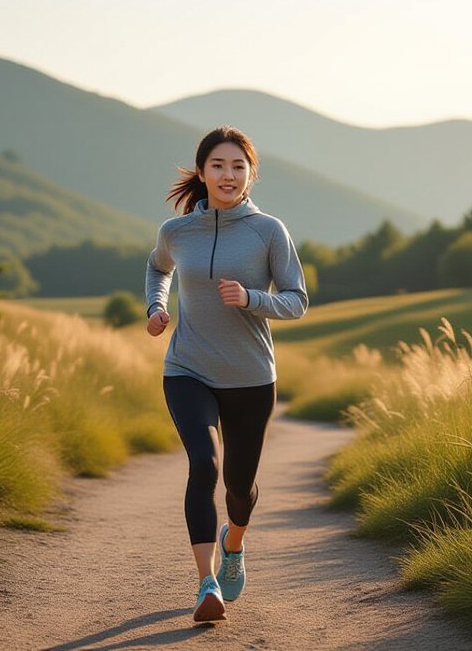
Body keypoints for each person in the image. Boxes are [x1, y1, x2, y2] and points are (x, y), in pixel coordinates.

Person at [145, 126, 308, 622]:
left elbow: (297, 300)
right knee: (204, 465)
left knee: (239, 486)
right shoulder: (177, 232)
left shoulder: (269, 231)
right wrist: (156, 306)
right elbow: (158, 268)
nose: (228, 175)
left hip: (251, 378)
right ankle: (206, 583)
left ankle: (233, 544)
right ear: (202, 171)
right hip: (188, 368)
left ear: (251, 174)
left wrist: (253, 299)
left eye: (238, 166)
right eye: (218, 165)